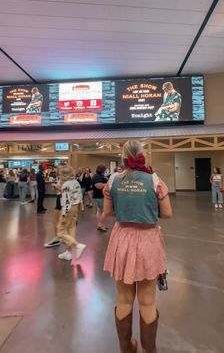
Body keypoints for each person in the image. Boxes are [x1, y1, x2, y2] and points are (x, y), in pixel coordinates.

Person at [103, 140, 172, 353]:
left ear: (123, 158)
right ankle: (149, 349)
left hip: (122, 238)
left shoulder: (113, 180)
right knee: (148, 300)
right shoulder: (155, 180)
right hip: (148, 240)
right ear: (143, 156)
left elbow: (108, 212)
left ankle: (126, 347)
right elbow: (167, 213)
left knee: (123, 299)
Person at [57, 165, 86, 262]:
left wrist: (64, 214)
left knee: (61, 231)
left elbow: (66, 200)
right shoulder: (75, 182)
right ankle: (68, 252)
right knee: (71, 228)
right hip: (75, 207)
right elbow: (79, 195)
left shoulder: (65, 185)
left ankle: (77, 245)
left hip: (68, 208)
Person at [44, 166, 63, 248]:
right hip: (61, 198)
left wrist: (55, 185)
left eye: (57, 170)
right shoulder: (60, 178)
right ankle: (59, 236)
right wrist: (55, 186)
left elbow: (63, 189)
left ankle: (57, 238)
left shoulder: (63, 178)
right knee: (57, 218)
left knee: (55, 218)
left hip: (62, 198)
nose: (55, 171)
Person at [91, 164, 108, 232]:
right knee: (105, 211)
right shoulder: (96, 177)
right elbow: (98, 186)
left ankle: (100, 224)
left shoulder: (100, 176)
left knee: (99, 210)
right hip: (99, 196)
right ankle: (100, 224)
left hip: (100, 196)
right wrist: (108, 184)